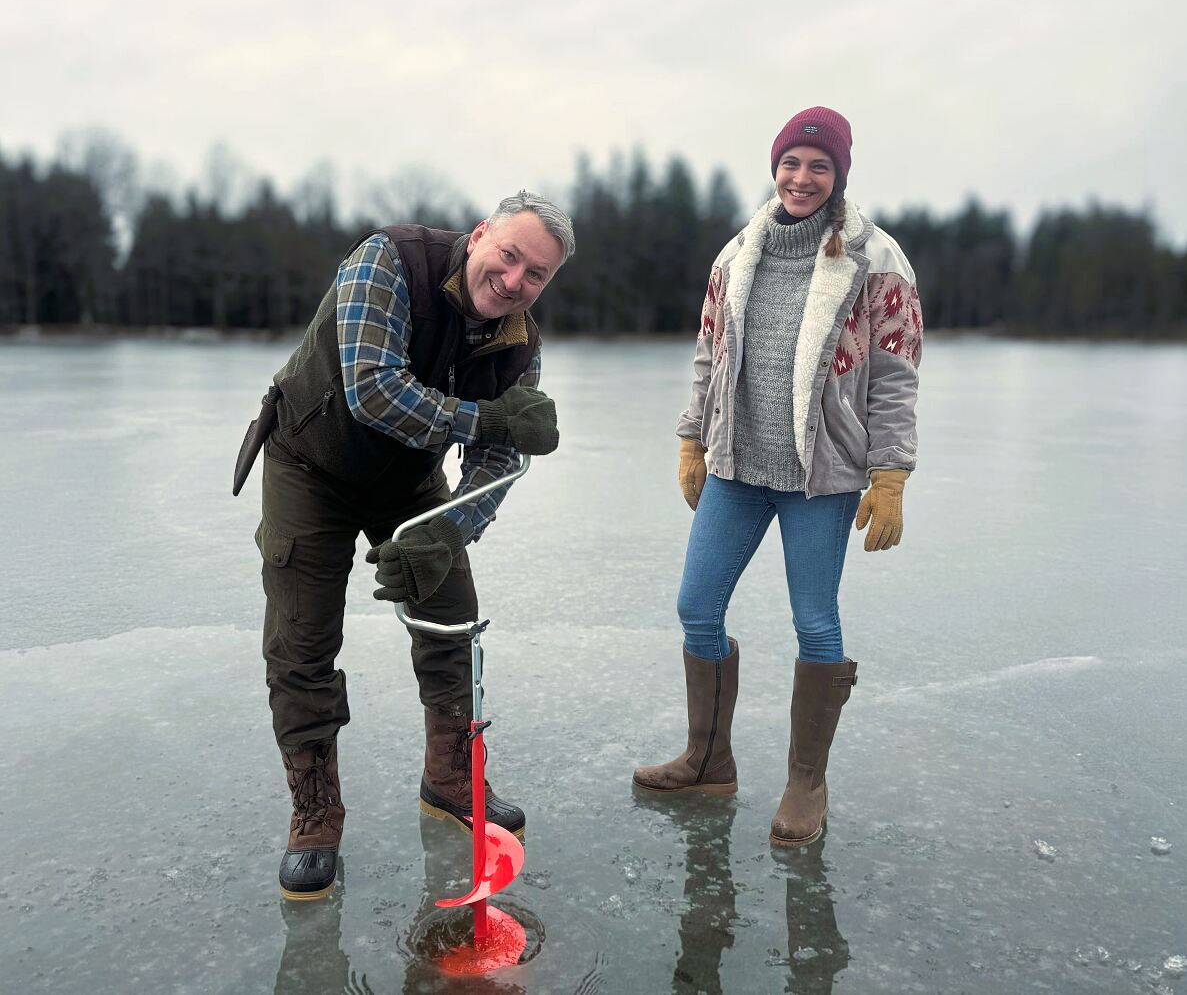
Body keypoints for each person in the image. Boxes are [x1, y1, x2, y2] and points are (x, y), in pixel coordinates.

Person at [245, 190, 575, 900]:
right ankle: (314, 812)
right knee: (302, 640)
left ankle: (450, 777)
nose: (514, 280)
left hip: (409, 476)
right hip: (313, 460)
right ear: (481, 234)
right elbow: (371, 388)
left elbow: (499, 463)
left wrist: (449, 530)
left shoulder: (520, 344)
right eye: (508, 255)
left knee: (451, 618)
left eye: (536, 274)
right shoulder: (388, 260)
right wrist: (485, 420)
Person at [633, 107, 922, 846]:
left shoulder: (876, 260)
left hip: (819, 476)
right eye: (791, 163)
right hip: (737, 464)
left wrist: (888, 475)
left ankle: (805, 782)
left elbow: (894, 376)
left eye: (817, 166)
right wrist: (691, 440)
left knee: (814, 622)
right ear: (775, 168)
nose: (801, 178)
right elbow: (708, 354)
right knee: (696, 607)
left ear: (839, 176)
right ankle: (707, 759)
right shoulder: (737, 253)